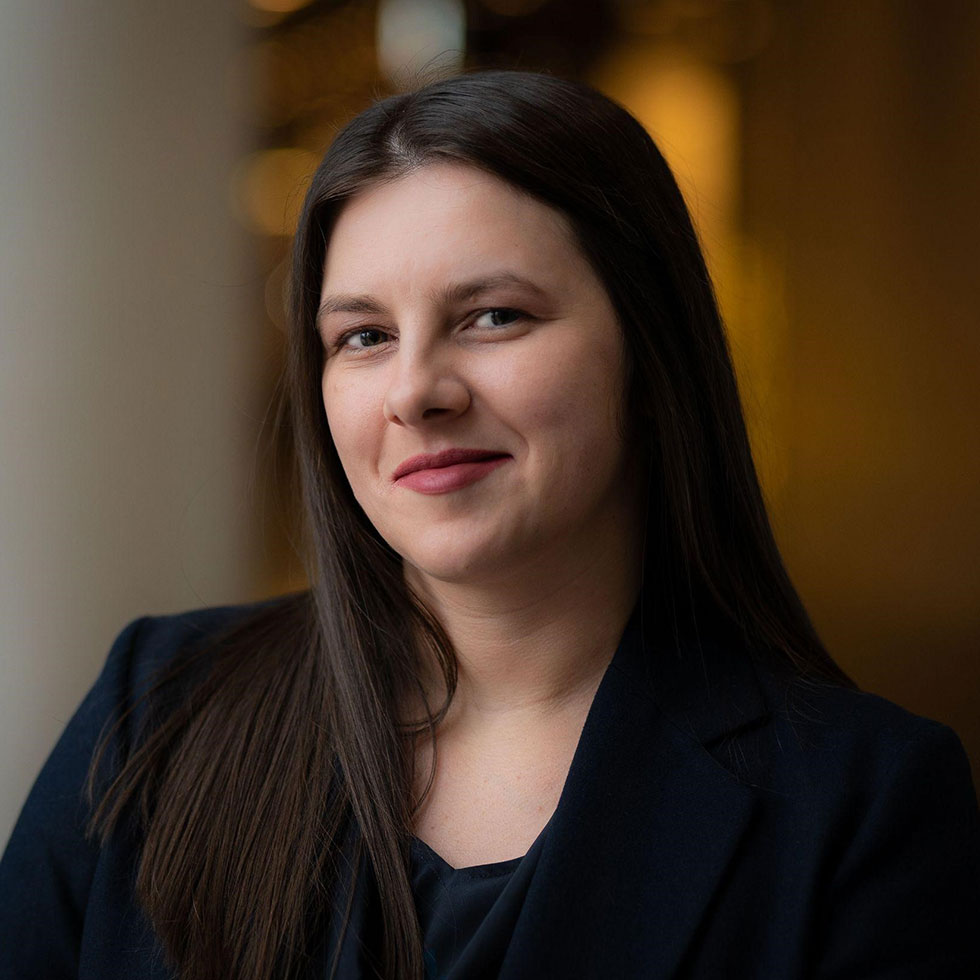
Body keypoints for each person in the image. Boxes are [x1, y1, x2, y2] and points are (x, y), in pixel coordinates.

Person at [1, 69, 978, 980]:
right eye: (364, 337)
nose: (415, 391)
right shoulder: (156, 709)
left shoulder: (861, 802)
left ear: (648, 352)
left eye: (493, 316)